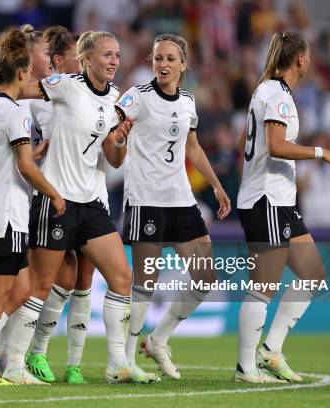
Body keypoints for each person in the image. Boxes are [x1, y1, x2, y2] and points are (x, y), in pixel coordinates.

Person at [8, 30, 155, 384]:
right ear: (86, 59)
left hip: (91, 203)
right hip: (56, 200)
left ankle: (117, 363)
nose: (114, 61)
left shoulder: (116, 99)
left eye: (117, 55)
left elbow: (114, 160)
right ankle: (15, 361)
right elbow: (14, 91)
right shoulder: (65, 85)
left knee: (122, 277)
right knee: (43, 286)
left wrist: (120, 140)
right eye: (106, 54)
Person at [116, 34, 231, 379]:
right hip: (145, 200)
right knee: (145, 283)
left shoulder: (188, 101)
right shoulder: (137, 96)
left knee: (204, 277)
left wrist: (216, 185)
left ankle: (157, 340)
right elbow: (111, 127)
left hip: (181, 201)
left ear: (183, 64)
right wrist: (118, 136)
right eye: (157, 58)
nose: (162, 64)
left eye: (169, 58)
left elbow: (192, 148)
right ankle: (125, 360)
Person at [235, 32, 330, 383]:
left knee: (313, 274)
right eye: (308, 56)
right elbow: (277, 145)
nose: (310, 62)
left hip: (279, 200)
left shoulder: (266, 91)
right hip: (265, 199)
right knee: (263, 286)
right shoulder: (277, 94)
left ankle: (270, 351)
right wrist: (320, 153)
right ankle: (244, 367)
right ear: (300, 59)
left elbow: (245, 143)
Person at [0, 28, 65, 386]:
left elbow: (12, 157)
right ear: (23, 73)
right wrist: (54, 193)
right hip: (6, 213)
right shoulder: (14, 112)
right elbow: (25, 165)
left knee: (22, 289)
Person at [25, 25, 98, 385]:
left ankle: (74, 364)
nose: (85, 61)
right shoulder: (44, 96)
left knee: (82, 281)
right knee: (56, 280)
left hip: (93, 195)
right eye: (78, 56)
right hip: (57, 196)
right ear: (59, 61)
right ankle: (32, 351)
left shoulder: (100, 94)